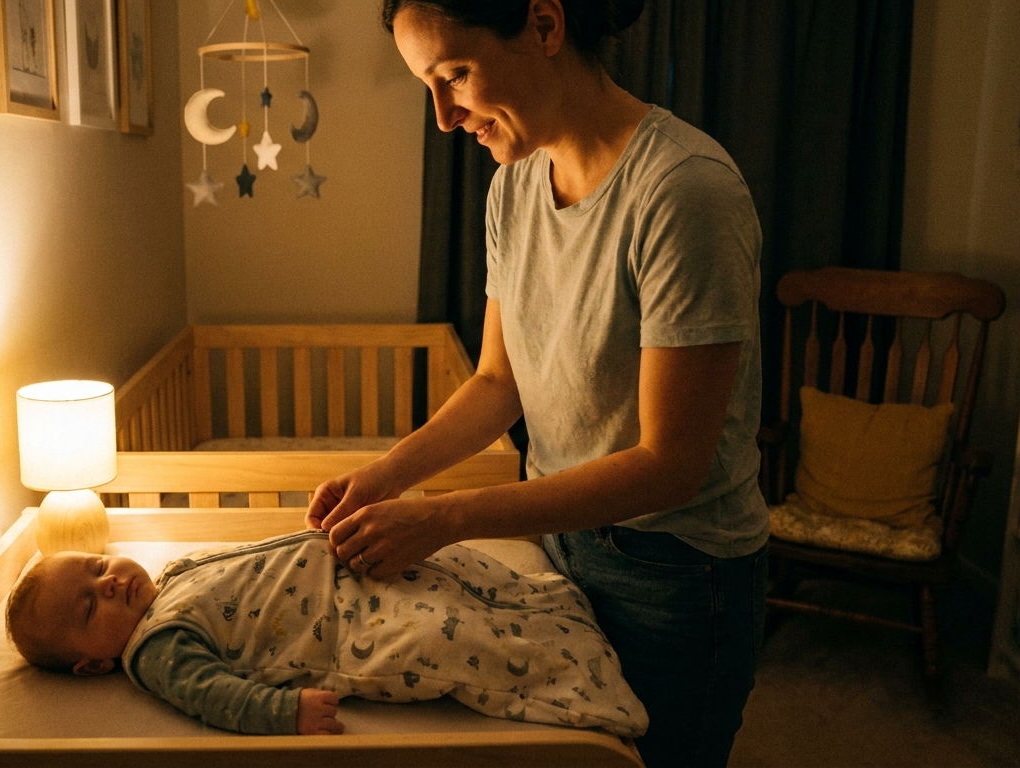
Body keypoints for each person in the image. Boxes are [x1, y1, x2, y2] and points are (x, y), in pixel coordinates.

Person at [306, 1, 768, 765]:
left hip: (678, 574)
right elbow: (497, 383)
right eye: (429, 85)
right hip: (562, 545)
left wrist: (445, 517)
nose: (446, 117)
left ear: (546, 28)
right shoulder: (514, 189)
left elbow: (671, 464)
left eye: (454, 75)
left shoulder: (686, 192)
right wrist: (385, 477)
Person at [5, 531, 649, 737]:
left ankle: (543, 607)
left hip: (344, 577)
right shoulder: (156, 648)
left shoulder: (172, 574)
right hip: (345, 627)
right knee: (445, 641)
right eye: (89, 608)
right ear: (92, 665)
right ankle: (576, 683)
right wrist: (283, 712)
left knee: (453, 570)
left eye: (97, 568)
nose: (109, 584)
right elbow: (212, 695)